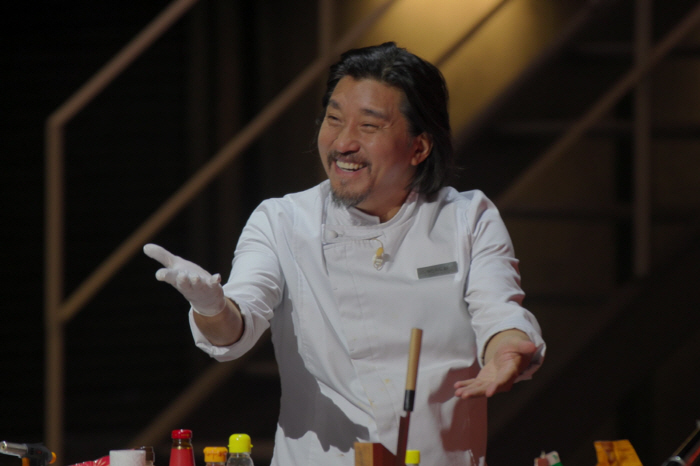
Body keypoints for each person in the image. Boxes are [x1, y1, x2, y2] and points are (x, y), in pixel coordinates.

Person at [144, 42, 545, 466]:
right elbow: (236, 326)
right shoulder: (284, 221)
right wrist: (212, 306)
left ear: (419, 147)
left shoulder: (467, 217)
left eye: (369, 126)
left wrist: (507, 350)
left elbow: (499, 314)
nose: (342, 143)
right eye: (333, 119)